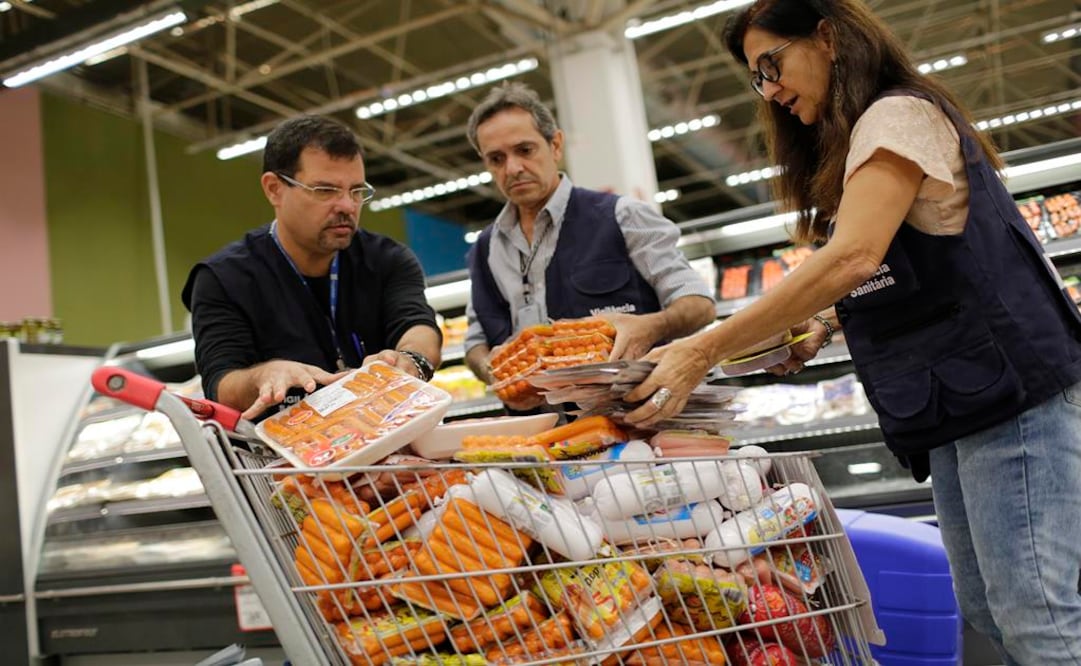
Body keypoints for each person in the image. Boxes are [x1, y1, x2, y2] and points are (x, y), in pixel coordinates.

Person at [623, 1, 1081, 662]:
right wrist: (824, 321)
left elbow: (852, 256)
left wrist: (702, 348)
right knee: (990, 605)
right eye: (757, 78)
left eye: (771, 65)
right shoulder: (870, 132)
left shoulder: (896, 113)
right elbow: (903, 265)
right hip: (966, 395)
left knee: (1033, 611)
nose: (770, 90)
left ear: (828, 37)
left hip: (1007, 392)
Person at [463, 82, 717, 411]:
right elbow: (476, 343)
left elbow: (699, 305)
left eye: (525, 150)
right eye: (496, 159)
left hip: (639, 423)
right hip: (545, 438)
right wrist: (494, 370)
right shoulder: (485, 249)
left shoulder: (623, 217)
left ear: (555, 145)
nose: (512, 168)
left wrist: (651, 326)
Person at [182, 115, 442, 420]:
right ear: (274, 189)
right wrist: (263, 376)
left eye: (356, 190)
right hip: (282, 458)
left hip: (387, 439)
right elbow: (220, 384)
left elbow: (419, 326)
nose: (347, 205)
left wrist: (408, 358)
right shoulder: (223, 278)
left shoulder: (387, 259)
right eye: (325, 190)